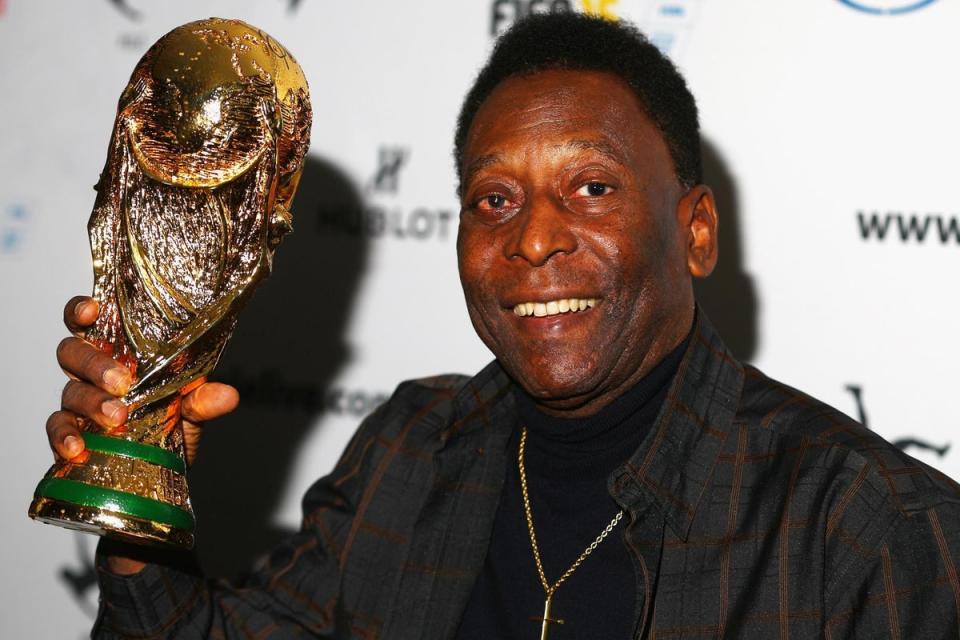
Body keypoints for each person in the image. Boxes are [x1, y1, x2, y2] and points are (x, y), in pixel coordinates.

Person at [47, 13, 960, 639]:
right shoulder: (411, 451)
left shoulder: (869, 531)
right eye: (494, 198)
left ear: (696, 232)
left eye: (591, 188)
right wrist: (140, 499)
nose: (531, 239)